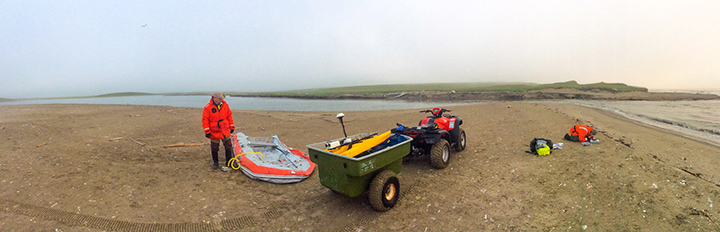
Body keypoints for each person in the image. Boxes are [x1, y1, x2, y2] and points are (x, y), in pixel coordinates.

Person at [202, 91, 235, 171]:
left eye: (222, 98)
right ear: (214, 98)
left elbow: (229, 116)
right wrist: (207, 131)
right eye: (220, 98)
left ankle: (229, 162)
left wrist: (232, 126)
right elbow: (205, 120)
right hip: (214, 131)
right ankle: (215, 163)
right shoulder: (208, 108)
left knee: (228, 147)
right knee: (214, 148)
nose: (221, 100)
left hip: (225, 130)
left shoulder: (225, 105)